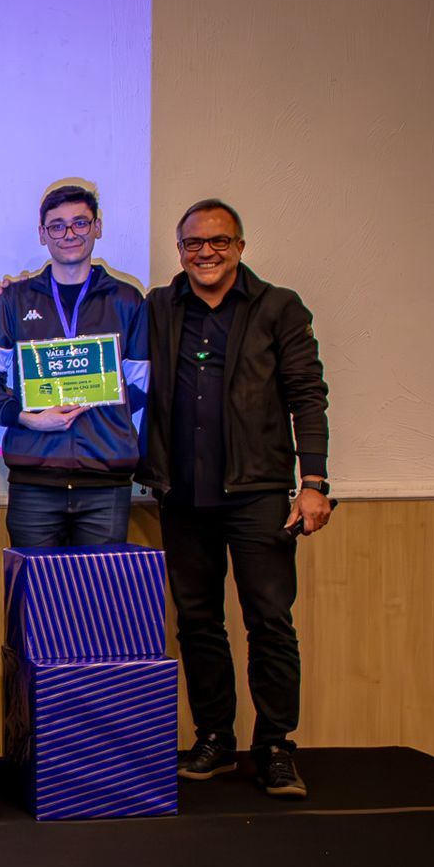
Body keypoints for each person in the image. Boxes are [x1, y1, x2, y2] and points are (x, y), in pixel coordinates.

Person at [142, 199, 331, 800]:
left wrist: (315, 482)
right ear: (180, 251)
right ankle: (215, 738)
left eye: (219, 242)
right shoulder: (159, 307)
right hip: (182, 495)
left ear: (241, 247)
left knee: (270, 622)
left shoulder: (277, 307)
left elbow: (308, 394)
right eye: (194, 243)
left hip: (258, 495)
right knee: (199, 624)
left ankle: (275, 746)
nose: (206, 252)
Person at [0, 184, 149, 545]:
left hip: (106, 478)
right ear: (42, 234)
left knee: (99, 598)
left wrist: (92, 403)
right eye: (57, 226)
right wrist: (26, 416)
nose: (69, 234)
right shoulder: (13, 300)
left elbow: (142, 383)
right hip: (34, 479)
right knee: (33, 596)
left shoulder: (128, 300)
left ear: (97, 227)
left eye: (80, 223)